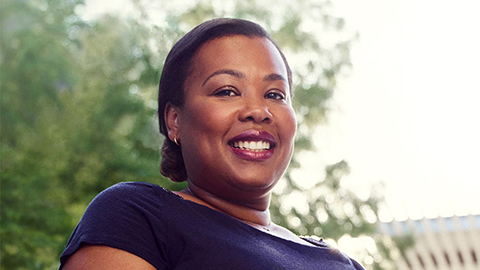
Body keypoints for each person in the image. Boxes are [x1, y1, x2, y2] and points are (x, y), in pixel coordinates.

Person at [59, 18, 365, 270]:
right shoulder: (137, 216)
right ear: (174, 120)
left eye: (275, 94)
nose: (259, 110)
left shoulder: (341, 262)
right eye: (228, 91)